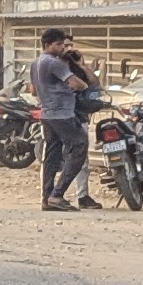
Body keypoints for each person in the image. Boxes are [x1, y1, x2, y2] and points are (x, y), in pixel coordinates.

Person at [32, 26, 103, 210]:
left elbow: (33, 90)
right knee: (79, 147)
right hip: (62, 114)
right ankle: (57, 194)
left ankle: (47, 198)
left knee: (52, 156)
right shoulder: (54, 63)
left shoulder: (36, 63)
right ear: (48, 45)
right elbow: (77, 83)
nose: (63, 48)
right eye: (59, 44)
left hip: (47, 114)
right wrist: (81, 86)